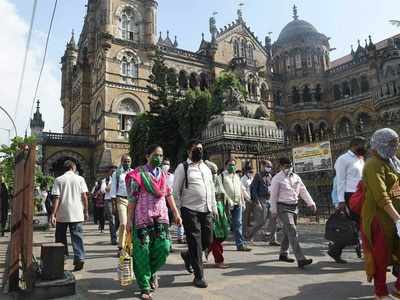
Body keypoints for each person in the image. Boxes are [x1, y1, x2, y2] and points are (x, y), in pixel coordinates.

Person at [126, 145, 182, 300]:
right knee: (142, 252)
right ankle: (145, 287)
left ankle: (151, 272)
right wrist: (128, 220)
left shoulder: (164, 175)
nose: (159, 158)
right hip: (142, 218)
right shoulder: (138, 175)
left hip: (161, 217)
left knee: (164, 247)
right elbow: (132, 199)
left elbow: (169, 195)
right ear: (147, 156)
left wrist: (176, 214)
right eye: (156, 155)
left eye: (161, 155)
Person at [361, 128, 400, 299]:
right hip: (379, 218)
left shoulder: (392, 161)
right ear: (381, 144)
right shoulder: (373, 164)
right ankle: (381, 293)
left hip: (394, 215)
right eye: (392, 143)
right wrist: (397, 218)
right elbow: (380, 195)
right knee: (381, 257)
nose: (396, 146)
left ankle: (398, 287)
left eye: (396, 142)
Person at [173, 139, 217, 288]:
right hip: (189, 210)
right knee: (195, 242)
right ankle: (199, 277)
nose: (199, 151)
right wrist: (178, 212)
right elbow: (175, 192)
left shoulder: (206, 167)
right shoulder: (183, 167)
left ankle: (187, 255)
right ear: (188, 152)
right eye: (195, 149)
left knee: (208, 240)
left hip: (206, 210)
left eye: (200, 149)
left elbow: (211, 189)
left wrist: (214, 208)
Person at [270, 157, 316, 269]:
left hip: (294, 207)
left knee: (287, 232)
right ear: (280, 167)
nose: (288, 168)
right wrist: (274, 210)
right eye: (286, 166)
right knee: (292, 231)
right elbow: (273, 196)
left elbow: (303, 190)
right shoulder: (277, 178)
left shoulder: (296, 177)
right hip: (283, 207)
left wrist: (311, 202)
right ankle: (301, 259)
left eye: (290, 166)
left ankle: (283, 254)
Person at [328, 136, 367, 264]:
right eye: (362, 145)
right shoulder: (343, 159)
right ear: (354, 145)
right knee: (351, 226)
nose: (365, 148)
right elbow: (340, 181)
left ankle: (335, 250)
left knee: (361, 226)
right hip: (349, 196)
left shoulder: (360, 159)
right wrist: (340, 201)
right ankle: (335, 249)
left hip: (361, 195)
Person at [50, 160, 89, 271]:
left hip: (62, 213)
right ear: (73, 167)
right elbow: (84, 196)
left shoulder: (58, 180)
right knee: (77, 236)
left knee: (60, 237)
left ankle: (61, 257)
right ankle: (79, 257)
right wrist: (86, 211)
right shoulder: (80, 179)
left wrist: (53, 214)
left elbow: (56, 198)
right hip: (77, 212)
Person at [221, 158, 252, 252]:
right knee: (223, 225)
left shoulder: (236, 176)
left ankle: (240, 244)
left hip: (237, 203)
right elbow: (220, 190)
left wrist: (248, 198)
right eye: (230, 164)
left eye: (234, 164)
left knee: (238, 223)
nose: (232, 166)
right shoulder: (222, 176)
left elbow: (241, 188)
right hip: (226, 204)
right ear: (226, 166)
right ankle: (213, 245)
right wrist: (228, 200)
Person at [205, 160, 231, 268]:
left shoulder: (218, 182)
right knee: (215, 237)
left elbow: (223, 196)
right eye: (212, 172)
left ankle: (207, 249)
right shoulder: (205, 183)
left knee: (222, 235)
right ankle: (219, 260)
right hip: (209, 213)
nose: (214, 175)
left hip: (220, 213)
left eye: (215, 172)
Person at [247, 160, 279, 246]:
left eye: (270, 166)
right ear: (263, 166)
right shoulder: (258, 175)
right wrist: (257, 202)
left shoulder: (270, 176)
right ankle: (249, 234)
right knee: (262, 221)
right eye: (268, 166)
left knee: (273, 220)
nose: (269, 168)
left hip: (270, 199)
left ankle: (273, 240)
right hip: (262, 200)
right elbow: (253, 189)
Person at [111, 154, 132, 255]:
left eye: (128, 161)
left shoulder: (134, 173)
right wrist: (114, 205)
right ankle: (121, 247)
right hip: (121, 200)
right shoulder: (117, 173)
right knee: (123, 223)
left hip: (132, 201)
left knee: (131, 224)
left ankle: (129, 246)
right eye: (125, 161)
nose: (127, 163)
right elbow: (113, 190)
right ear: (121, 162)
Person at [162, 158, 185, 244]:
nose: (166, 166)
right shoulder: (159, 176)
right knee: (166, 221)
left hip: (173, 200)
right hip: (163, 201)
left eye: (167, 164)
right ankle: (168, 240)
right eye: (164, 164)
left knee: (179, 218)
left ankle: (180, 237)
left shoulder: (172, 176)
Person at [102, 166, 117, 245]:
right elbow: (104, 190)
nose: (114, 173)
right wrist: (113, 183)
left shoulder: (120, 178)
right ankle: (113, 238)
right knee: (112, 220)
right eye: (112, 171)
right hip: (109, 200)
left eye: (115, 171)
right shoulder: (106, 180)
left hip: (119, 199)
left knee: (120, 220)